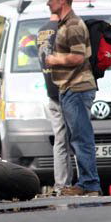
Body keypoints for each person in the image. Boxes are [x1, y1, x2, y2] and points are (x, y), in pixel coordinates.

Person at [45, 0, 101, 196]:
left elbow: (78, 56)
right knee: (76, 138)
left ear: (62, 0)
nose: (48, 2)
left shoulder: (74, 25)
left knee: (81, 138)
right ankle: (85, 183)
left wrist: (54, 59)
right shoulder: (64, 24)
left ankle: (90, 184)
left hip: (77, 87)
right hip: (69, 88)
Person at [37, 13, 73, 196]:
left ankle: (61, 184)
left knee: (60, 141)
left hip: (51, 92)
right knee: (80, 140)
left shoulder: (41, 31)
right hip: (68, 91)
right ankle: (86, 183)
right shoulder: (66, 29)